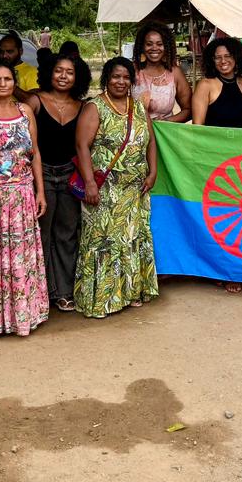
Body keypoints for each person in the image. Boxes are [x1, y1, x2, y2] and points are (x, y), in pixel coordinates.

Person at [0, 61, 49, 337]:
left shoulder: (25, 111)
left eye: (8, 79)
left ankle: (25, 316)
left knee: (21, 257)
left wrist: (40, 191)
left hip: (22, 194)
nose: (3, 84)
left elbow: (35, 153)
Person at [74, 57, 159, 318]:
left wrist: (153, 170)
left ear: (132, 81)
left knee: (131, 240)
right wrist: (90, 184)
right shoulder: (95, 107)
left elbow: (150, 141)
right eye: (115, 76)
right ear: (106, 79)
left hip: (134, 190)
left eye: (125, 77)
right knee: (103, 242)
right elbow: (81, 147)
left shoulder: (138, 107)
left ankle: (130, 293)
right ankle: (101, 300)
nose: (120, 82)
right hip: (104, 191)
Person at [28, 52, 91, 313]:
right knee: (40, 235)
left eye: (69, 72)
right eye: (58, 71)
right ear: (49, 74)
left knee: (67, 235)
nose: (63, 76)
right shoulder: (35, 101)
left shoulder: (84, 106)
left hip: (69, 176)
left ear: (78, 77)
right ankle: (39, 294)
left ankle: (64, 292)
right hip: (39, 175)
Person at [131, 21, 192, 122]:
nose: (154, 48)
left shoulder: (175, 73)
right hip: (134, 133)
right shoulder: (132, 70)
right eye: (149, 44)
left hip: (163, 133)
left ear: (166, 47)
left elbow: (188, 110)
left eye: (160, 44)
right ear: (142, 46)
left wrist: (168, 121)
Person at [192, 37, 242, 129]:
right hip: (213, 142)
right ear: (212, 60)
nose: (223, 61)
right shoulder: (205, 85)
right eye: (217, 57)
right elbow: (197, 126)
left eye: (228, 56)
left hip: (239, 142)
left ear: (237, 57)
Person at [0, 31, 39, 100]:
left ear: (20, 51)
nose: (4, 56)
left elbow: (32, 100)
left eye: (10, 51)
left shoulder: (31, 71)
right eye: (1, 52)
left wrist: (9, 84)